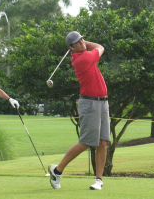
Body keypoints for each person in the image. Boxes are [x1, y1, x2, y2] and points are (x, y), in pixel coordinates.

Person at [48, 31, 110, 190]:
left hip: (102, 102)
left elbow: (93, 47)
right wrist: (87, 42)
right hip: (90, 103)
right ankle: (57, 170)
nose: (82, 42)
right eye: (78, 41)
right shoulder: (82, 58)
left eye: (82, 39)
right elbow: (100, 47)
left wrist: (82, 41)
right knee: (87, 142)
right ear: (71, 47)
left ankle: (99, 180)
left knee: (102, 141)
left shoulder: (83, 53)